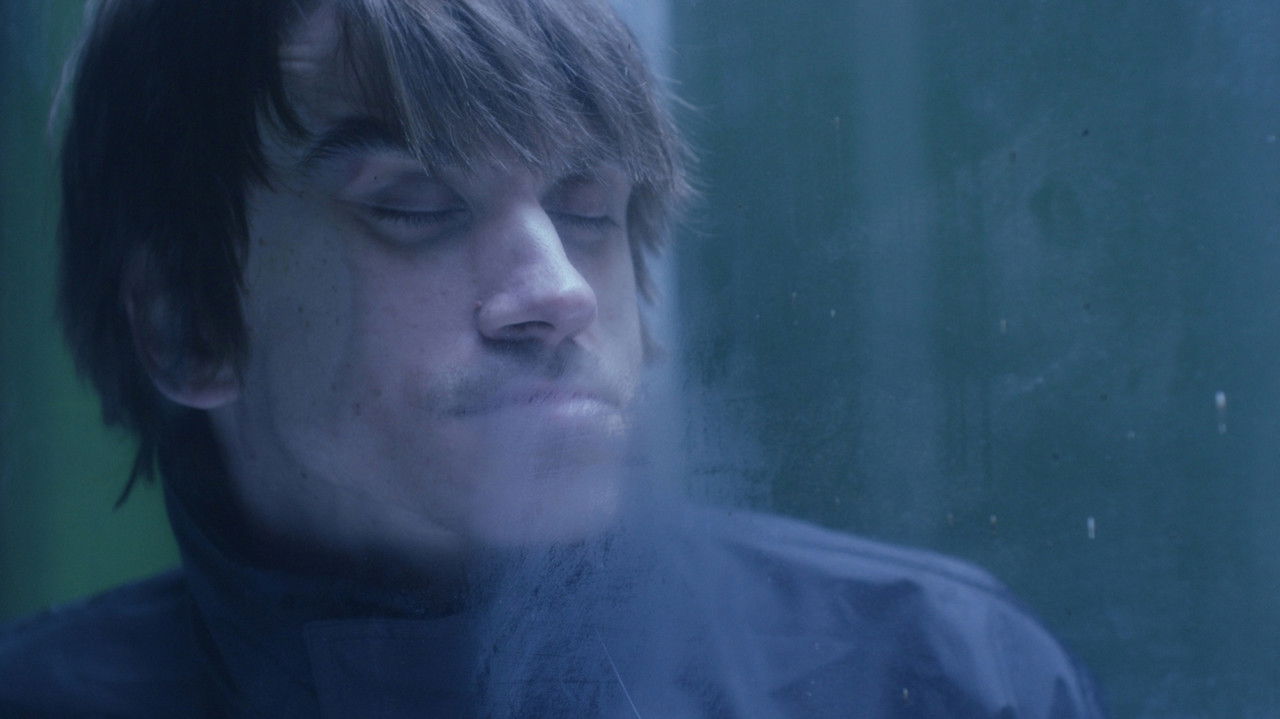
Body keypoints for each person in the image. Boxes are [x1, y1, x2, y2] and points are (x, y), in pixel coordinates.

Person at [0, 0, 1107, 716]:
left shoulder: (935, 676)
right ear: (188, 321)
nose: (560, 291)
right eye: (415, 204)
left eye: (589, 210)